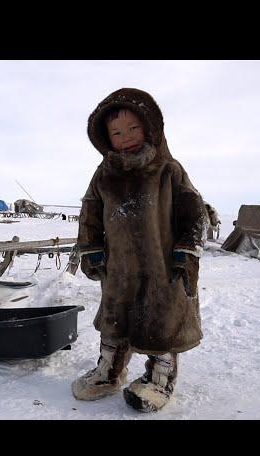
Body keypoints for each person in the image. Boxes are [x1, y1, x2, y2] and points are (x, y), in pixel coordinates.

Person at [72, 88, 207, 412]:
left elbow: (194, 212)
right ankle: (108, 372)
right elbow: (90, 213)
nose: (125, 137)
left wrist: (187, 252)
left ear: (149, 128)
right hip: (118, 269)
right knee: (114, 320)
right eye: (116, 132)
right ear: (105, 138)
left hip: (163, 269)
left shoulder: (168, 170)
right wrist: (90, 248)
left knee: (162, 326)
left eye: (133, 128)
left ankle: (160, 379)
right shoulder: (104, 174)